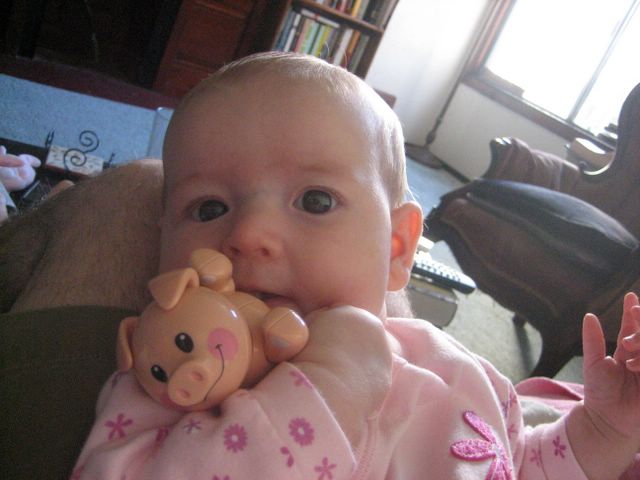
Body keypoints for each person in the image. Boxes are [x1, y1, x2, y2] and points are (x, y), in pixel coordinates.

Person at [68, 52, 640, 479]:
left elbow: (514, 463)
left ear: (396, 248)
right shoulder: (168, 379)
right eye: (209, 208)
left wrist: (599, 432)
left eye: (316, 201)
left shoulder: (455, 372)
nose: (247, 235)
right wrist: (329, 387)